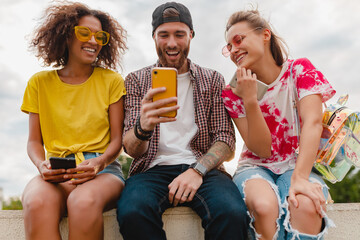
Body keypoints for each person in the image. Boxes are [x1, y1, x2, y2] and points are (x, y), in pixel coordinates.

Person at [116, 2, 248, 239]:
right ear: (154, 37)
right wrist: (143, 127)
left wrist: (196, 171)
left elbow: (226, 140)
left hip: (203, 169)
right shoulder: (136, 80)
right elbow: (130, 148)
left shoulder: (212, 79)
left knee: (232, 213)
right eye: (163, 35)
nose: (172, 43)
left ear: (191, 35)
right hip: (150, 169)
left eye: (179, 34)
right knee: (133, 212)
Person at [221, 9, 336, 240]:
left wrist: (301, 178)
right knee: (264, 206)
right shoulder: (233, 93)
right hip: (255, 166)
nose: (234, 50)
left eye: (238, 40)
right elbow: (262, 149)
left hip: (298, 164)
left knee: (305, 206)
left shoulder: (299, 70)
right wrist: (250, 99)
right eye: (229, 47)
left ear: (265, 35)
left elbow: (312, 123)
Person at [20, 2, 127, 240]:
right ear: (66, 35)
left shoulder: (112, 81)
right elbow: (34, 142)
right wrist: (41, 165)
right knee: (36, 201)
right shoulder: (39, 83)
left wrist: (99, 162)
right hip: (57, 172)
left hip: (103, 172)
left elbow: (117, 141)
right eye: (84, 33)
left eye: (100, 36)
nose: (93, 41)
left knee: (82, 201)